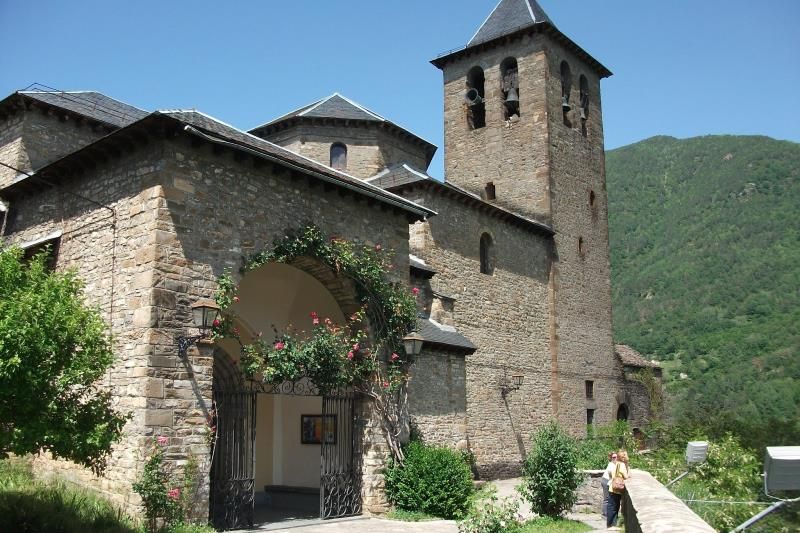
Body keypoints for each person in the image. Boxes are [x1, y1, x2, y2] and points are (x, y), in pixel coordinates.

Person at [606, 450, 630, 530]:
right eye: (626, 455)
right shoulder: (622, 465)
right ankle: (612, 525)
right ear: (623, 457)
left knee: (612, 506)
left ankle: (610, 524)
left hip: (612, 488)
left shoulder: (616, 464)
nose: (627, 456)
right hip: (617, 489)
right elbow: (626, 476)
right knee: (614, 507)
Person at [600, 451, 618, 517]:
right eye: (613, 457)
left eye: (616, 457)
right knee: (607, 498)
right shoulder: (611, 464)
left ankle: (606, 513)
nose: (615, 458)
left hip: (606, 481)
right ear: (611, 458)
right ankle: (605, 514)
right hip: (606, 481)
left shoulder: (615, 464)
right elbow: (611, 474)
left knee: (608, 498)